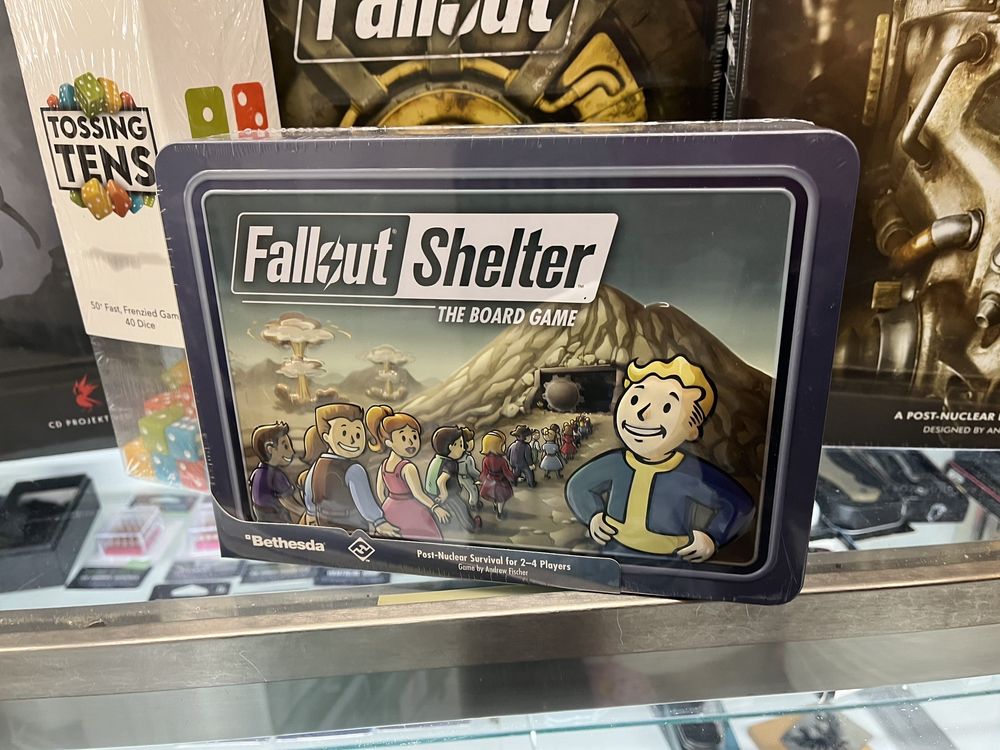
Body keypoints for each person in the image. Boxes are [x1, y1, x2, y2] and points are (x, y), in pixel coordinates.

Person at [565, 356, 754, 564]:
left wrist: (712, 536)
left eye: (666, 407)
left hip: (670, 561)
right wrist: (593, 515)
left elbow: (739, 505)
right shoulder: (615, 463)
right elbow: (577, 487)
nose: (642, 414)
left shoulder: (690, 471)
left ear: (692, 429)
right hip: (614, 553)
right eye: (635, 400)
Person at [299, 403, 400, 536]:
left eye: (357, 434)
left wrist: (311, 513)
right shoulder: (354, 469)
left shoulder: (317, 465)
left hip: (323, 522)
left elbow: (309, 493)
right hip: (353, 526)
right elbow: (365, 502)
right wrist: (379, 521)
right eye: (344, 433)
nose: (352, 440)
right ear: (326, 436)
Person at [367, 405, 450, 541]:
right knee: (426, 543)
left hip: (389, 508)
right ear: (388, 442)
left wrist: (388, 507)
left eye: (414, 437)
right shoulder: (407, 467)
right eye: (404, 438)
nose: (411, 442)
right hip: (412, 511)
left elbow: (380, 493)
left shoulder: (384, 465)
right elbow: (418, 493)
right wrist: (435, 507)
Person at [429, 425, 482, 531]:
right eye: (461, 445)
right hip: (448, 493)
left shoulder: (437, 459)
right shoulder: (450, 464)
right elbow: (441, 480)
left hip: (431, 491)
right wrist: (444, 494)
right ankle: (471, 526)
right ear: (451, 447)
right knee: (461, 508)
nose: (463, 449)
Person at [248, 421, 300, 523]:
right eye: (286, 446)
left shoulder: (256, 473)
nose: (292, 451)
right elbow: (288, 503)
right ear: (270, 449)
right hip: (277, 520)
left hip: (261, 519)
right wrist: (304, 512)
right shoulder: (276, 476)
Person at [480, 430, 516, 519]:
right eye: (503, 444)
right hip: (501, 482)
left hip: (489, 481)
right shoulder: (502, 461)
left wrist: (481, 480)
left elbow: (484, 472)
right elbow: (507, 473)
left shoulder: (485, 459)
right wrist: (513, 477)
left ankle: (495, 506)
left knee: (493, 495)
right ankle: (500, 513)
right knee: (501, 499)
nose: (505, 446)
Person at [457, 426, 482, 511]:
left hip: (458, 477)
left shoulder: (456, 456)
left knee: (458, 491)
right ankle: (474, 504)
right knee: (473, 491)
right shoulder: (468, 458)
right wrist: (479, 476)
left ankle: (459, 504)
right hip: (466, 477)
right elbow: (472, 471)